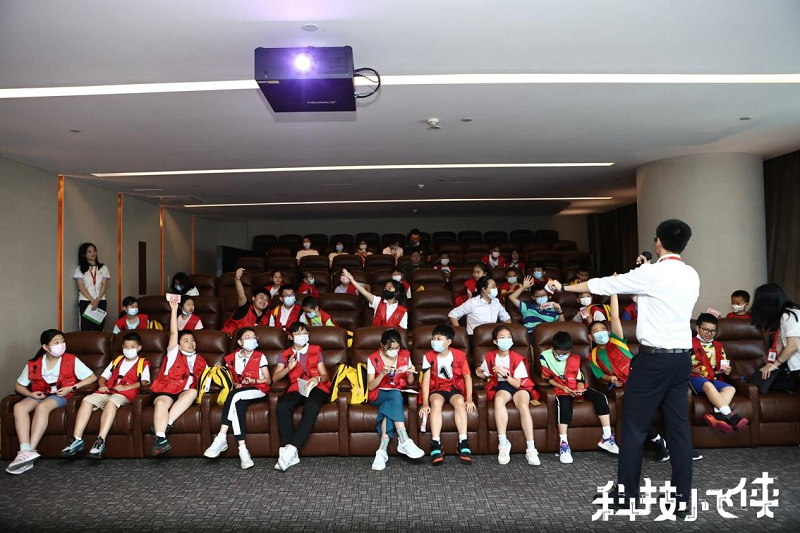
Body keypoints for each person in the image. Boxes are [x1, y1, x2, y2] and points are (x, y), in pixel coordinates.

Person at [550, 219, 699, 509]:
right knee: (679, 429)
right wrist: (643, 270)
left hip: (654, 360)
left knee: (633, 427)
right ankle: (682, 499)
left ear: (658, 242)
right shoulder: (691, 274)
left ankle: (627, 495)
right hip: (682, 359)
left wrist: (565, 285)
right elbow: (654, 296)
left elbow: (604, 284)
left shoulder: (650, 273)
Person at [589, 294, 670, 462]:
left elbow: (615, 316)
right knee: (634, 411)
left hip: (642, 377)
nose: (600, 333)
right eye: (596, 332)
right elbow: (600, 375)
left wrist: (613, 292)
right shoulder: (593, 356)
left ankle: (665, 442)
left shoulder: (617, 341)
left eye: (603, 330)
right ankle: (658, 441)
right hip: (627, 387)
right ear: (590, 337)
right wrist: (610, 379)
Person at [6, 330, 97, 474]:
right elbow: (18, 385)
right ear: (46, 347)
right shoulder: (34, 363)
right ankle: (24, 450)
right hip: (39, 394)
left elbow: (92, 377)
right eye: (56, 342)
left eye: (62, 341)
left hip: (60, 396)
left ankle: (30, 451)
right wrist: (30, 394)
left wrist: (72, 388)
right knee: (19, 407)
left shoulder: (71, 359)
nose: (61, 345)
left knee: (43, 407)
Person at [62, 332, 150, 459]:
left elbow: (144, 382)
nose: (128, 350)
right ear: (122, 347)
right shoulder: (116, 361)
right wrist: (102, 385)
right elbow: (103, 377)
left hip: (125, 392)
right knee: (87, 400)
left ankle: (100, 440)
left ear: (139, 348)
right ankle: (77, 439)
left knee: (111, 402)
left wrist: (126, 387)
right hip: (108, 390)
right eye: (126, 347)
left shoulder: (143, 363)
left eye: (132, 347)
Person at [540, 331, 618, 464]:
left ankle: (607, 437)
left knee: (601, 398)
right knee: (564, 406)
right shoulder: (545, 356)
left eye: (566, 353)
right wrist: (563, 387)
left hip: (574, 386)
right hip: (561, 387)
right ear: (553, 349)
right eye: (561, 353)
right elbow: (548, 378)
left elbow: (579, 378)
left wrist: (579, 389)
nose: (564, 355)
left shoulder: (574, 358)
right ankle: (564, 444)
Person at [203, 328, 271, 469]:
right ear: (240, 342)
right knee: (237, 406)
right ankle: (243, 450)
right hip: (241, 392)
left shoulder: (260, 356)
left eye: (254, 337)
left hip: (259, 390)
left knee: (233, 395)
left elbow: (268, 380)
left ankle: (221, 437)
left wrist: (253, 380)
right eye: (248, 337)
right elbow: (230, 380)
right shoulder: (232, 358)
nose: (252, 340)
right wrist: (237, 384)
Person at [475, 325, 541, 466]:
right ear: (495, 341)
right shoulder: (489, 357)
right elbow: (486, 374)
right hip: (502, 386)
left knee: (523, 406)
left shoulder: (518, 358)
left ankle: (531, 448)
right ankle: (503, 444)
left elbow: (517, 384)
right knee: (498, 400)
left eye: (509, 337)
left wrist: (504, 374)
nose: (506, 340)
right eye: (502, 337)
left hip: (519, 385)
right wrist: (480, 374)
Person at [150, 302, 208, 456]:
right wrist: (174, 309)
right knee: (161, 403)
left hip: (184, 393)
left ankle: (164, 426)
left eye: (192, 340)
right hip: (167, 390)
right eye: (186, 340)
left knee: (193, 392)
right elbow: (174, 333)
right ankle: (160, 439)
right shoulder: (173, 353)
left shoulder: (201, 360)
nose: (190, 343)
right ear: (179, 345)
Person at [273, 322, 331, 471]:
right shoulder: (285, 355)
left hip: (316, 387)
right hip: (297, 387)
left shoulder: (315, 350)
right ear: (291, 336)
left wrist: (317, 378)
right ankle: (290, 451)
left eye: (305, 333)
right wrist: (289, 368)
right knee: (282, 406)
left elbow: (325, 375)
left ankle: (292, 448)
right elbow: (275, 377)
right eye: (298, 334)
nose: (302, 336)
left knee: (312, 406)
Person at [366, 329, 425, 470]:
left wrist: (410, 373)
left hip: (395, 394)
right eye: (390, 348)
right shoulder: (373, 358)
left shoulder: (405, 356)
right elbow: (370, 386)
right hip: (378, 394)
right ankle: (404, 439)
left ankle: (382, 450)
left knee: (390, 404)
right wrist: (382, 374)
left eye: (397, 348)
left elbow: (410, 382)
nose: (394, 351)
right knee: (394, 396)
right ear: (382, 345)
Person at [418, 325, 475, 465]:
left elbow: (467, 377)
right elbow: (426, 381)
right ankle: (435, 443)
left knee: (460, 402)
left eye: (439, 339)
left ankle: (463, 442)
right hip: (436, 388)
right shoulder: (428, 356)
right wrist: (425, 403)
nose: (434, 341)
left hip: (454, 387)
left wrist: (469, 399)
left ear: (448, 342)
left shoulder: (460, 355)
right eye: (433, 338)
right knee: (436, 403)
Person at [691, 313, 748, 433]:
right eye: (706, 330)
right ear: (697, 328)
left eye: (713, 331)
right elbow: (679, 365)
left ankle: (717, 416)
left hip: (713, 378)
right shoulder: (688, 344)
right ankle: (731, 416)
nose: (709, 334)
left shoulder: (717, 346)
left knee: (730, 389)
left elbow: (722, 363)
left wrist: (727, 370)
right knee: (708, 385)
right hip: (695, 378)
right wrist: (693, 369)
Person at [749, 283, 800, 393]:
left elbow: (793, 346)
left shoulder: (790, 315)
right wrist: (770, 363)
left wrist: (775, 365)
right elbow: (779, 344)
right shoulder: (782, 316)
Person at [342, 268, 408, 328]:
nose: (386, 290)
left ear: (396, 293)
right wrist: (352, 280)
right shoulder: (378, 301)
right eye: (385, 288)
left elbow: (403, 332)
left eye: (389, 288)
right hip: (375, 334)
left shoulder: (402, 311)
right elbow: (364, 292)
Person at [221, 268, 271, 334]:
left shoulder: (266, 316)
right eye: (261, 297)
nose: (263, 301)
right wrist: (237, 279)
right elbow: (241, 295)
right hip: (230, 337)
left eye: (266, 299)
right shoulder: (245, 307)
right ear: (253, 298)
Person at [74, 242, 110, 331]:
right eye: (89, 251)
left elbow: (104, 285)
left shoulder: (103, 268)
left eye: (94, 251)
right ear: (84, 254)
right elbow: (81, 287)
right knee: (86, 329)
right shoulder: (80, 269)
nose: (93, 253)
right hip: (85, 301)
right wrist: (92, 301)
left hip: (101, 300)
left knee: (99, 328)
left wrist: (97, 300)